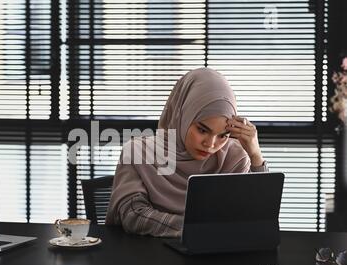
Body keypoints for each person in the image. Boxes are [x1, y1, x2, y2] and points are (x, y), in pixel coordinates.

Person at [105, 68, 268, 238]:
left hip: (215, 259)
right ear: (182, 115)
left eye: (223, 135)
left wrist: (255, 156)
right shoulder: (138, 152)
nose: (210, 144)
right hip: (149, 258)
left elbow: (257, 219)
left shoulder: (234, 157)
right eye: (202, 130)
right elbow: (133, 214)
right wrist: (195, 229)